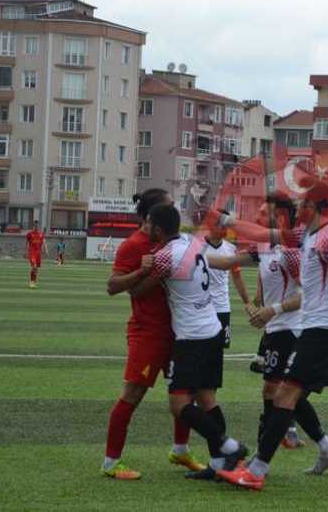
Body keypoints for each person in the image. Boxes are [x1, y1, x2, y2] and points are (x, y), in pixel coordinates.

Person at [216, 182, 328, 491]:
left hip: (321, 332)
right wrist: (229, 222)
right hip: (324, 330)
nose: (296, 209)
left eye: (301, 204)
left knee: (284, 394)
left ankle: (256, 470)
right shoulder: (305, 235)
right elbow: (264, 235)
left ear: (313, 208)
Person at [131, 204, 249, 475]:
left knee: (180, 405)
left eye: (149, 225)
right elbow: (215, 262)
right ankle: (219, 463)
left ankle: (228, 446)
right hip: (212, 328)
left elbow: (138, 291)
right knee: (207, 398)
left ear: (158, 230)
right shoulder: (192, 243)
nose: (146, 229)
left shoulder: (165, 256)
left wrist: (139, 271)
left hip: (191, 336)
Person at [101, 189, 202, 480]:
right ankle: (110, 462)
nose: (173, 211)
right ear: (152, 217)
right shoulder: (133, 246)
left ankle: (181, 450)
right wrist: (140, 273)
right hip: (148, 333)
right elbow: (112, 286)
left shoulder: (175, 242)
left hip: (178, 331)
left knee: (185, 391)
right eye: (169, 206)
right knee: (133, 393)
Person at [204, 210, 251, 350]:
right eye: (221, 225)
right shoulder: (196, 246)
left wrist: (247, 302)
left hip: (221, 307)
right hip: (202, 307)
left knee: (219, 349)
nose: (225, 229)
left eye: (226, 225)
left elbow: (237, 277)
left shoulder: (230, 249)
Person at [25, 221, 48, 288]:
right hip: (32, 253)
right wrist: (25, 251)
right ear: (33, 226)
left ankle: (34, 282)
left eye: (37, 226)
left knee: (36, 269)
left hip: (38, 253)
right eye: (35, 226)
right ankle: (31, 282)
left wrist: (46, 250)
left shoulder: (40, 234)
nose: (36, 227)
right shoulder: (30, 234)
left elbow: (44, 241)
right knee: (34, 266)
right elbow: (26, 242)